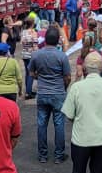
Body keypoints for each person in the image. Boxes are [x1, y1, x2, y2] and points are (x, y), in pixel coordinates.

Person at [28, 27, 71, 163]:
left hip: (42, 93)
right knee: (59, 124)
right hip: (58, 92)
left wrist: (39, 76)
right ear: (58, 40)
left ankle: (43, 155)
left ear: (45, 39)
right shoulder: (62, 56)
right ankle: (59, 155)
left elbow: (31, 73)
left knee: (41, 124)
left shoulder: (36, 55)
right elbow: (67, 76)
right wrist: (64, 87)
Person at [20, 17, 38, 100]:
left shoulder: (23, 32)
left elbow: (22, 42)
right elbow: (35, 45)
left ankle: (27, 89)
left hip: (24, 54)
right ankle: (28, 92)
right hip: (31, 55)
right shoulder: (33, 32)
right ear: (32, 24)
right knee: (31, 73)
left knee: (27, 73)